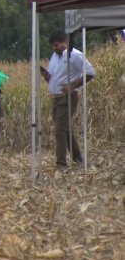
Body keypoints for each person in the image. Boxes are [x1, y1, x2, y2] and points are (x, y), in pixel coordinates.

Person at [40, 29, 95, 167]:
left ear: (65, 42)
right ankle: (78, 158)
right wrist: (47, 77)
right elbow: (55, 77)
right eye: (53, 46)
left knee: (59, 129)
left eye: (56, 45)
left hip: (68, 97)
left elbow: (90, 72)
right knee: (65, 129)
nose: (54, 48)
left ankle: (61, 163)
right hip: (56, 98)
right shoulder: (54, 57)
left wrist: (73, 85)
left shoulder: (74, 55)